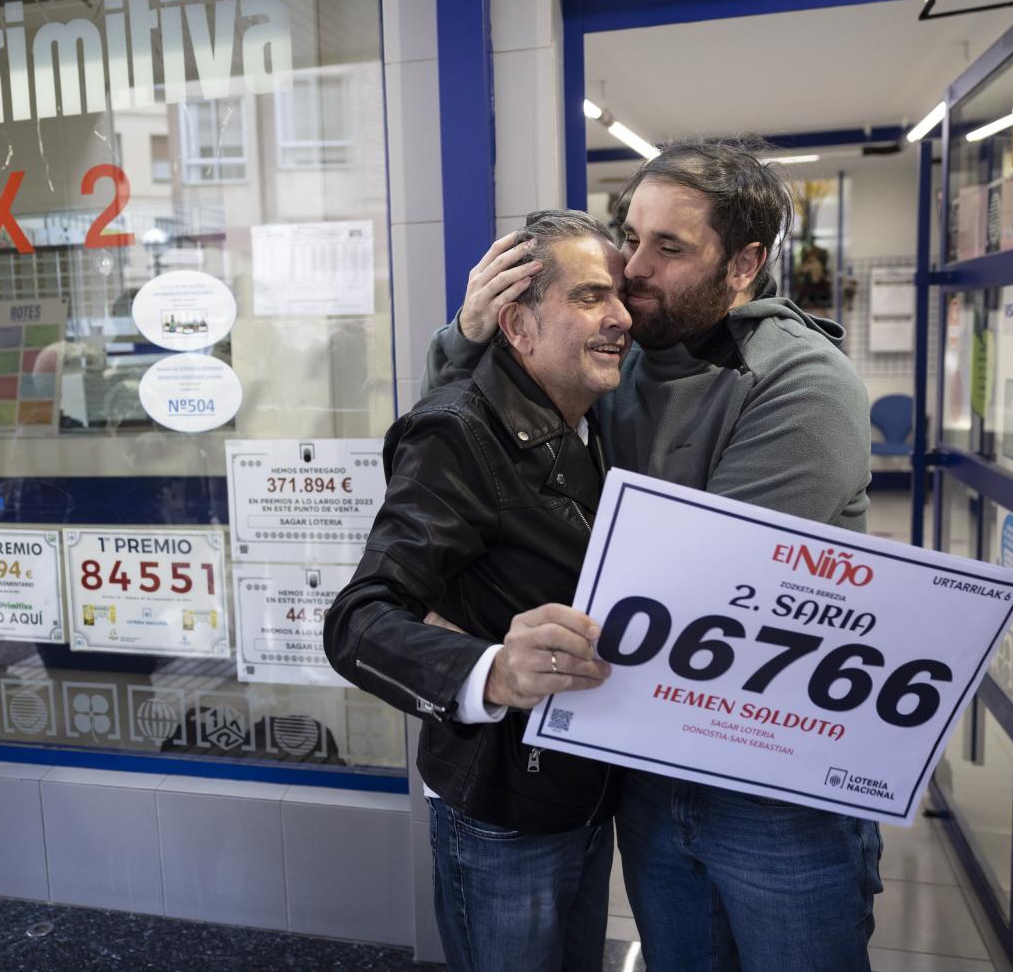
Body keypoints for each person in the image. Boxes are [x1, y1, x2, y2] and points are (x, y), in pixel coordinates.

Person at [426, 140, 879, 971]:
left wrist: (488, 593)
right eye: (630, 236)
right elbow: (473, 442)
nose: (633, 269)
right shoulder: (625, 356)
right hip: (646, 765)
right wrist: (467, 340)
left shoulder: (802, 382)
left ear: (744, 264)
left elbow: (707, 585)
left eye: (669, 249)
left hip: (770, 781)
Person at [326, 210, 630, 972]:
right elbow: (359, 620)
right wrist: (491, 669)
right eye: (591, 298)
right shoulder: (456, 434)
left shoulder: (597, 421)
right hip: (502, 810)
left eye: (619, 295)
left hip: (585, 794)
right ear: (518, 327)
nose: (622, 317)